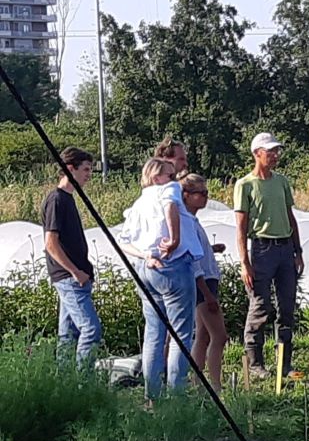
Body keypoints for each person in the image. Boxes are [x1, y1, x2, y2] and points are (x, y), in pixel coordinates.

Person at [119, 158, 204, 401]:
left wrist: (146, 255)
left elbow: (123, 241)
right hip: (173, 264)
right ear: (156, 177)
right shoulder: (169, 189)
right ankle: (177, 395)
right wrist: (175, 239)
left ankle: (152, 396)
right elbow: (170, 207)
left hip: (147, 267)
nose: (175, 178)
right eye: (169, 174)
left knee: (154, 333)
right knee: (181, 334)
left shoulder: (139, 202)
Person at [234, 132, 304, 379]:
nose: (275, 155)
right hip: (261, 249)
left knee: (287, 307)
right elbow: (241, 227)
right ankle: (255, 364)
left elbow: (290, 217)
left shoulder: (281, 181)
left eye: (277, 151)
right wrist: (245, 263)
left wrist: (298, 251)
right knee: (260, 306)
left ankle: (285, 363)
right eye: (270, 151)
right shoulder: (245, 185)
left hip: (285, 248)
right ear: (257, 153)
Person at [42, 147, 102, 366]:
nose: (89, 175)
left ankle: (64, 381)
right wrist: (75, 271)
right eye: (85, 169)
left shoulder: (67, 199)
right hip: (69, 277)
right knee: (90, 329)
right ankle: (84, 380)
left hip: (74, 276)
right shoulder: (57, 200)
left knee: (68, 335)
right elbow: (51, 243)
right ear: (70, 168)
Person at [181, 173, 228, 392]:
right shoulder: (187, 223)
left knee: (203, 335)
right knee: (219, 336)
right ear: (186, 195)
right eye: (200, 193)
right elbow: (193, 262)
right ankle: (215, 385)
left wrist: (211, 249)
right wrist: (207, 295)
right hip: (203, 284)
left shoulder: (193, 221)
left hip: (207, 281)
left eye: (206, 192)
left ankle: (198, 383)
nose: (205, 197)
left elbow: (198, 252)